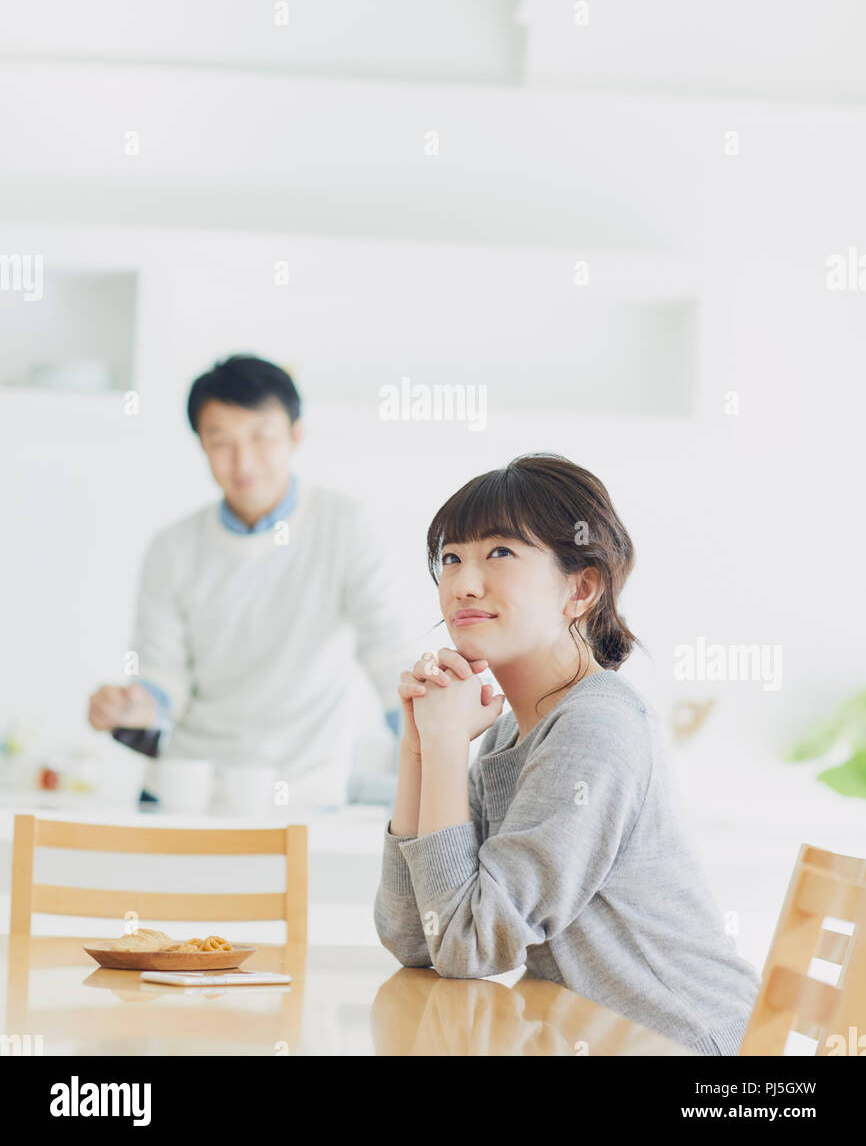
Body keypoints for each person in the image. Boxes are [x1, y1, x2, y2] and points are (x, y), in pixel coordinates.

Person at [374, 452, 762, 1055]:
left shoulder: (597, 725)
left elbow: (469, 946)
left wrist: (448, 745)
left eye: (500, 552)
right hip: (591, 1040)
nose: (464, 583)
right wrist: (419, 749)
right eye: (452, 558)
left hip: (690, 1049)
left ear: (581, 588)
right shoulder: (511, 736)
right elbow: (416, 938)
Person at [88, 354, 412, 807]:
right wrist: (132, 707)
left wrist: (432, 740)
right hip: (184, 792)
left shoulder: (344, 527)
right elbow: (162, 676)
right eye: (221, 442)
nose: (243, 462)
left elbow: (386, 649)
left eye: (261, 438)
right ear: (201, 445)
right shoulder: (173, 548)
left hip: (303, 794)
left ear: (295, 435)